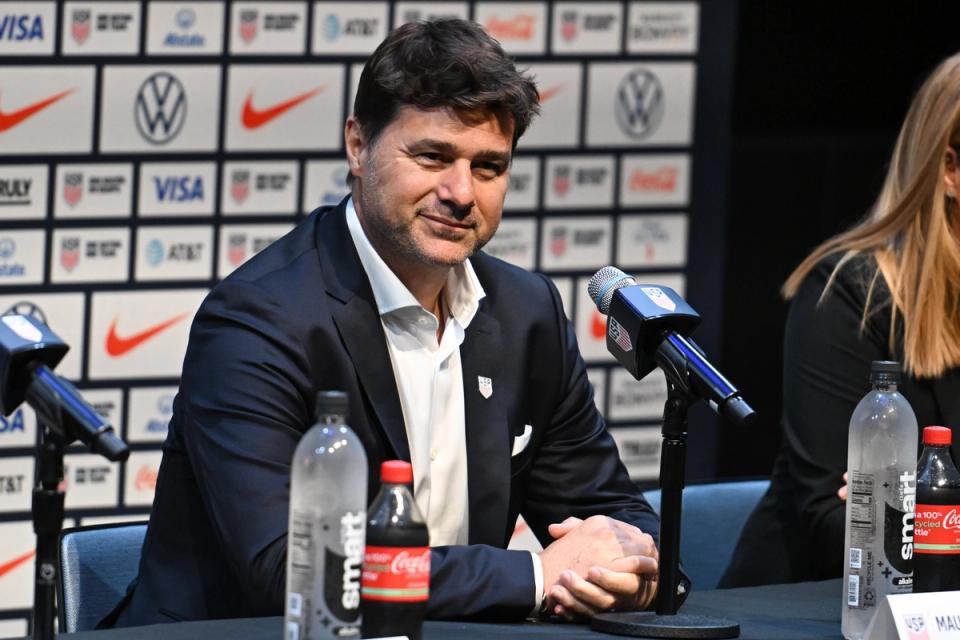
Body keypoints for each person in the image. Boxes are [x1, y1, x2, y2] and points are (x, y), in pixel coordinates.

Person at [102, 19, 673, 627]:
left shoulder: (526, 312)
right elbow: (291, 571)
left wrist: (626, 567)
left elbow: (615, 515)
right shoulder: (259, 321)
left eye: (488, 167)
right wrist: (536, 573)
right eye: (432, 156)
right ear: (357, 145)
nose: (460, 192)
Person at [720, 52, 960, 587]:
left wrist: (930, 516)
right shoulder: (850, 293)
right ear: (949, 170)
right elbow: (837, 524)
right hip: (815, 604)